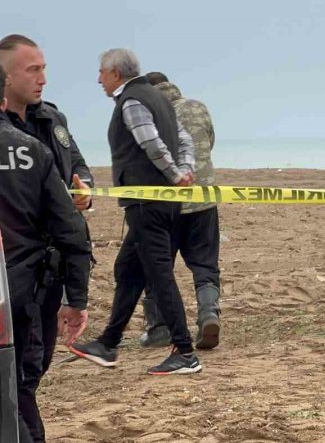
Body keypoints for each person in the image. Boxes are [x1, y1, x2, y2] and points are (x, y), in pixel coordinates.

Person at [69, 48, 202, 375]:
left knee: (159, 275)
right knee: (128, 269)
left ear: (116, 73)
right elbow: (185, 140)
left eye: (101, 72)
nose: (98, 79)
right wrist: (185, 170)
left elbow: (151, 143)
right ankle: (108, 343)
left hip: (148, 205)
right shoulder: (160, 100)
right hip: (159, 203)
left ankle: (185, 351)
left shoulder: (131, 101)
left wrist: (176, 175)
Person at [0, 34, 94, 443]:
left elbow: (78, 166)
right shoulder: (16, 139)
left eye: (44, 69)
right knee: (19, 378)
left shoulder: (52, 121)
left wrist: (84, 190)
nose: (42, 79)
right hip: (18, 270)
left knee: (31, 373)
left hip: (48, 271)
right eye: (32, 70)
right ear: (6, 78)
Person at [138, 71, 222, 350]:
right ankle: (208, 314)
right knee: (205, 265)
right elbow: (209, 143)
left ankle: (159, 327)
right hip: (203, 200)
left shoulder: (147, 116)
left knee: (158, 267)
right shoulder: (198, 107)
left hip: (164, 204)